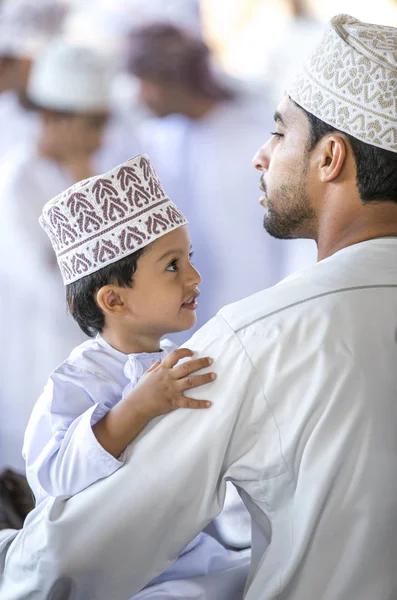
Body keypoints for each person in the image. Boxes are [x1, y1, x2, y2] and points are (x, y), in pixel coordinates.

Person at [2, 12, 397, 600]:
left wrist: (13, 556)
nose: (262, 157)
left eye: (281, 132)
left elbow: (81, 554)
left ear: (330, 158)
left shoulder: (254, 340)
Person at [27, 153, 249, 600]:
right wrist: (138, 406)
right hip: (108, 566)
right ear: (114, 300)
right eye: (172, 266)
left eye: (189, 258)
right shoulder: (76, 380)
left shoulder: (179, 361)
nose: (194, 277)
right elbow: (56, 478)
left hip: (186, 552)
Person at [0, 40, 111, 471]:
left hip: (92, 368)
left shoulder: (96, 171)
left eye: (105, 122)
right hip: (35, 366)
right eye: (92, 123)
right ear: (50, 117)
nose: (100, 136)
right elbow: (57, 295)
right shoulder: (16, 184)